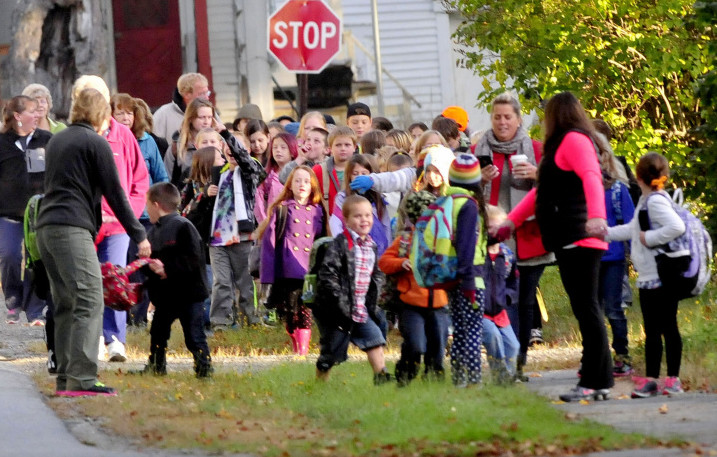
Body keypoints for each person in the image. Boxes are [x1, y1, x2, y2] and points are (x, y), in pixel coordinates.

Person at [498, 91, 613, 401]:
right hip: (568, 238)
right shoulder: (559, 147)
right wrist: (509, 222)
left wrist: (598, 217)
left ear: (554, 116)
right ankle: (600, 380)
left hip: (580, 236)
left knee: (587, 308)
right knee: (585, 308)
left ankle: (594, 379)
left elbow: (591, 176)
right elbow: (540, 195)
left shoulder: (574, 141)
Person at [37, 88, 150, 397]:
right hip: (72, 228)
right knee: (89, 298)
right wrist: (139, 233)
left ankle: (66, 379)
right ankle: (83, 380)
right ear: (102, 116)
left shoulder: (58, 139)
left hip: (46, 228)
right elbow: (116, 193)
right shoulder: (95, 142)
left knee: (65, 304)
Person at [474, 92, 553, 380]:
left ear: (518, 119)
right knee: (501, 301)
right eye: (497, 117)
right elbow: (461, 188)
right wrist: (478, 180)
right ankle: (504, 363)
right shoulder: (477, 150)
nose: (502, 122)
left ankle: (519, 363)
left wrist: (536, 174)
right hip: (493, 237)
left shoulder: (536, 149)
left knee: (525, 299)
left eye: (508, 117)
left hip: (529, 235)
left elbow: (557, 187)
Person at [71, 75, 149, 364]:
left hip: (117, 225)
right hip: (85, 223)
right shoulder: (75, 136)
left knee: (115, 277)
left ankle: (115, 339)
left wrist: (129, 214)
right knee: (87, 281)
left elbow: (139, 181)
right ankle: (92, 340)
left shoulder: (123, 135)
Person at [606, 152, 686, 398]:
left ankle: (672, 379)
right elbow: (633, 228)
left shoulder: (655, 202)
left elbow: (677, 227)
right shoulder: (647, 200)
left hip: (662, 274)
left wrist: (649, 238)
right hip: (650, 276)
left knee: (667, 327)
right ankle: (652, 379)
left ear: (638, 176)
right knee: (652, 329)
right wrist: (605, 233)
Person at [314, 194, 391, 385]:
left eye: (368, 215)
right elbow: (328, 276)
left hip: (361, 309)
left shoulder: (371, 245)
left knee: (375, 339)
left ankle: (381, 375)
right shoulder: (339, 245)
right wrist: (340, 302)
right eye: (358, 216)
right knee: (331, 351)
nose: (364, 220)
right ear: (346, 220)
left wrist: (379, 290)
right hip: (338, 311)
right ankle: (319, 383)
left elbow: (375, 273)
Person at [140, 182, 213, 378]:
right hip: (166, 296)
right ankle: (156, 364)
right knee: (158, 331)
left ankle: (204, 367)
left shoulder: (183, 226)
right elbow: (151, 264)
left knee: (194, 335)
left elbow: (193, 259)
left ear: (156, 205)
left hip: (189, 294)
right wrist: (144, 276)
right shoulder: (153, 232)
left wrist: (168, 269)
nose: (146, 209)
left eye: (147, 205)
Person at [378, 191, 449, 386]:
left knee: (438, 345)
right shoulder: (404, 242)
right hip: (411, 305)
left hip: (439, 304)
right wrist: (402, 263)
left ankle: (433, 377)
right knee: (416, 344)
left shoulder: (444, 242)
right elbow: (384, 262)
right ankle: (405, 375)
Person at [111, 93, 169, 328]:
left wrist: (160, 207)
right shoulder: (109, 141)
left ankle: (139, 318)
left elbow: (161, 177)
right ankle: (122, 316)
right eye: (120, 112)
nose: (125, 117)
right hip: (117, 218)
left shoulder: (147, 141)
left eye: (129, 112)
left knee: (144, 268)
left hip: (146, 217)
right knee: (121, 268)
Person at [256, 166, 328, 354]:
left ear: (312, 185)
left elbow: (322, 240)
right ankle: (296, 343)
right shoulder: (282, 210)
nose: (302, 185)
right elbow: (269, 245)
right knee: (290, 310)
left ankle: (302, 350)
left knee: (305, 310)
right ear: (290, 185)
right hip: (287, 270)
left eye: (306, 181)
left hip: (308, 270)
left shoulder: (318, 211)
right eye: (297, 180)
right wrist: (267, 277)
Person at [0, 95, 52, 326]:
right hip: (7, 213)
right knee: (10, 256)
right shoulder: (2, 143)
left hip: (38, 214)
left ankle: (35, 309)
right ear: (18, 117)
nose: (38, 114)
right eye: (32, 111)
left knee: (36, 260)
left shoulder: (46, 141)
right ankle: (13, 302)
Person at [208, 125, 266, 329]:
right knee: (221, 282)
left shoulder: (251, 171)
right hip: (217, 238)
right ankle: (220, 324)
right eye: (228, 145)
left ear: (247, 150)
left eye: (239, 146)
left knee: (245, 282)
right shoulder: (219, 174)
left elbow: (244, 160)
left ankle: (251, 321)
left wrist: (226, 133)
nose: (233, 150)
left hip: (242, 236)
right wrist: (206, 194)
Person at [443, 154, 489, 387]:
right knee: (473, 331)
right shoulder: (469, 206)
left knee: (460, 331)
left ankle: (458, 379)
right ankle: (474, 380)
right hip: (470, 278)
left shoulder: (448, 202)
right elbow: (466, 246)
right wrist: (469, 280)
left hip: (450, 276)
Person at [482, 205, 520, 383]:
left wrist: (508, 297)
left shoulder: (507, 255)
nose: (495, 232)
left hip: (499, 310)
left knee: (513, 345)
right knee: (493, 337)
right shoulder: (478, 253)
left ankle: (506, 381)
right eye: (490, 228)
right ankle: (501, 377)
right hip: (480, 310)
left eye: (499, 227)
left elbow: (513, 281)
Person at [329, 155, 391, 255]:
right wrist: (343, 245)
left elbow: (386, 225)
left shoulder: (378, 199)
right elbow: (335, 222)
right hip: (353, 249)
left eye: (364, 173)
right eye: (355, 174)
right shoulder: (343, 198)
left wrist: (388, 250)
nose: (359, 177)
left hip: (378, 249)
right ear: (349, 176)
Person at [153, 73, 211, 157]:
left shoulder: (210, 113)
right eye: (202, 94)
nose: (207, 98)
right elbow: (155, 148)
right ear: (187, 94)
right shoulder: (163, 114)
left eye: (207, 93)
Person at [170, 98, 216, 188]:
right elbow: (167, 177)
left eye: (210, 117)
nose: (206, 122)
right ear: (191, 118)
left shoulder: (218, 142)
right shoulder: (178, 146)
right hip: (184, 196)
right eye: (202, 117)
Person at [313, 126, 357, 215]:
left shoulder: (361, 170)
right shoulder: (318, 171)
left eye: (347, 145)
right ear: (330, 148)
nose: (343, 148)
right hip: (326, 224)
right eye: (338, 145)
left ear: (354, 147)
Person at [255, 133, 298, 222]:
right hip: (272, 222)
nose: (278, 150)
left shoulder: (298, 173)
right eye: (275, 147)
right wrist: (265, 223)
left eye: (283, 147)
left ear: (293, 151)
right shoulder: (266, 175)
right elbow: (259, 202)